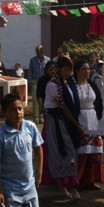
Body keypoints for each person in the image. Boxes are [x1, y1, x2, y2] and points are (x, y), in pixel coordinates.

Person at [43, 56, 84, 199]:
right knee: (61, 151)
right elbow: (63, 107)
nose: (67, 73)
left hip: (67, 121)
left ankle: (72, 186)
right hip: (57, 121)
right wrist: (77, 126)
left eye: (69, 70)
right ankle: (63, 185)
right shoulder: (53, 85)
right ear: (59, 69)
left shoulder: (69, 83)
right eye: (65, 70)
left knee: (71, 152)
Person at [74, 60, 104, 191]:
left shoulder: (92, 85)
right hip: (80, 118)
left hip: (92, 119)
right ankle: (77, 180)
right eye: (83, 69)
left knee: (93, 151)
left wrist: (101, 115)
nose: (86, 71)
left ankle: (90, 180)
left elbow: (99, 101)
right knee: (82, 151)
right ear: (77, 71)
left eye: (88, 69)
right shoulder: (73, 86)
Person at [27, 45, 50, 124]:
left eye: (38, 51)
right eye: (36, 51)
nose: (37, 53)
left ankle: (42, 117)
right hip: (35, 81)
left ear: (42, 51)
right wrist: (29, 82)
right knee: (34, 100)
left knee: (43, 99)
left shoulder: (47, 60)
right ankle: (35, 118)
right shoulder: (32, 60)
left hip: (44, 81)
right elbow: (30, 71)